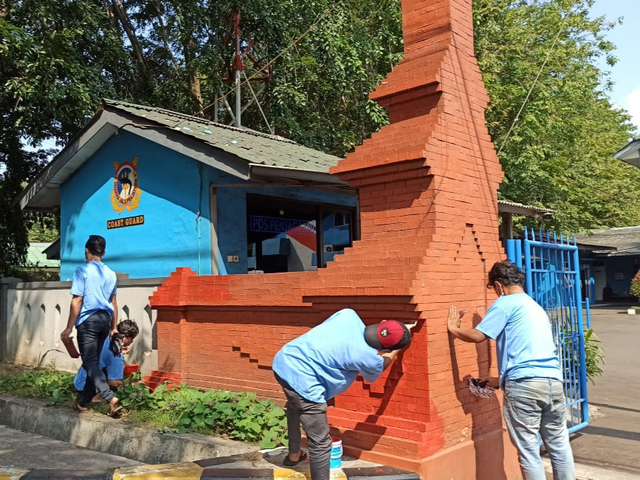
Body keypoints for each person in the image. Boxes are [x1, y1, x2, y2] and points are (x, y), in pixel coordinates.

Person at [447, 260, 575, 480]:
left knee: (529, 450)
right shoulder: (535, 306)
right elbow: (530, 353)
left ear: (498, 286)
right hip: (553, 382)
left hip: (524, 386)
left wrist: (454, 329)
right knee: (559, 445)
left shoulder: (505, 303)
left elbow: (479, 336)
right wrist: (498, 380)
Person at [272, 308, 413, 480]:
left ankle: (294, 454)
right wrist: (396, 349)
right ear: (384, 348)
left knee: (295, 405)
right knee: (321, 444)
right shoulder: (367, 356)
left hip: (284, 361)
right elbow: (382, 364)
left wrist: (393, 330)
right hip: (306, 384)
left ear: (382, 322)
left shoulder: (348, 315)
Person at [61, 235, 122, 416]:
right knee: (93, 362)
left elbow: (77, 299)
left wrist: (69, 327)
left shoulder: (82, 270)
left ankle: (110, 397)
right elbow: (114, 303)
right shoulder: (111, 274)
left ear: (87, 251)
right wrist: (114, 327)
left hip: (88, 321)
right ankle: (84, 403)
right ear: (103, 252)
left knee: (89, 362)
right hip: (105, 320)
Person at [74, 319, 139, 410]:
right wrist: (130, 386)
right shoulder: (115, 353)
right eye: (131, 338)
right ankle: (90, 399)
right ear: (123, 337)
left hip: (79, 381)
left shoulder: (105, 337)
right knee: (115, 381)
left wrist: (121, 348)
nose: (132, 342)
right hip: (86, 387)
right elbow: (114, 382)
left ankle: (95, 397)